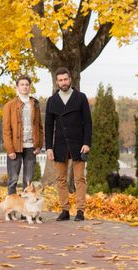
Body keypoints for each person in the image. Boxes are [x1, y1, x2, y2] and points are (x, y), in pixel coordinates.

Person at [45, 67, 92, 222]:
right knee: (61, 179)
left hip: (78, 144)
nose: (63, 82)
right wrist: (49, 148)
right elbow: (49, 126)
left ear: (70, 79)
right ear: (56, 81)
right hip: (59, 144)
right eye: (60, 80)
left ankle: (80, 211)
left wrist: (86, 142)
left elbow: (88, 123)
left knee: (79, 179)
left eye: (66, 79)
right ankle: (65, 210)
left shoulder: (80, 97)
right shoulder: (52, 101)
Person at [2, 75, 44, 195]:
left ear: (30, 87)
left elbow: (39, 126)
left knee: (28, 182)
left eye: (27, 85)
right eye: (22, 84)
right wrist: (10, 149)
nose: (25, 87)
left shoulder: (35, 103)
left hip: (31, 147)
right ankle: (11, 211)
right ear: (17, 87)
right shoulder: (9, 105)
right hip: (15, 148)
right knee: (13, 180)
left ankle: (27, 211)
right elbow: (6, 129)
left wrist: (39, 145)